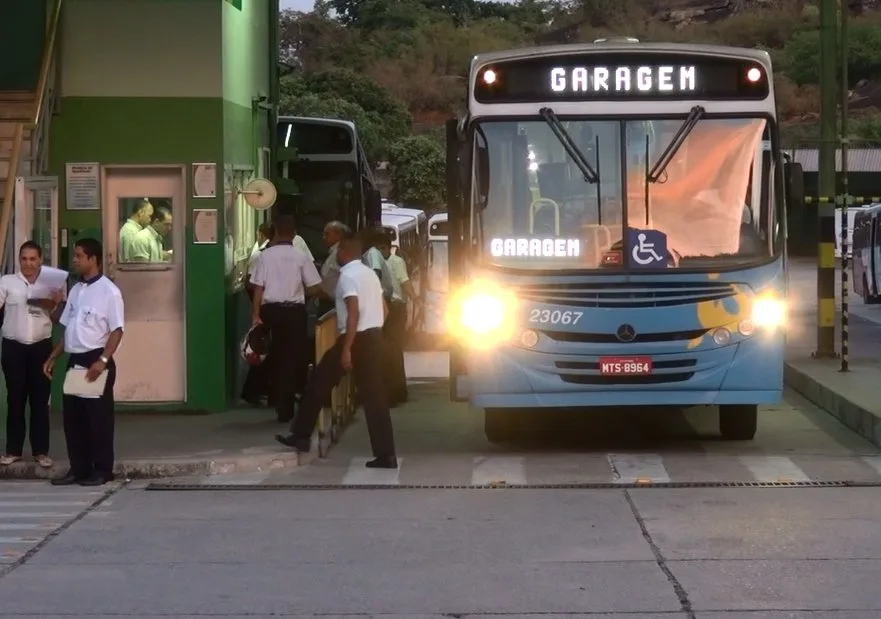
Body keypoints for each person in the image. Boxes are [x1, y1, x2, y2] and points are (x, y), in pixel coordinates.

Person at [276, 235, 397, 469]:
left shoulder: (348, 277)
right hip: (373, 337)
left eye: (338, 251)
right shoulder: (369, 274)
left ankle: (300, 436)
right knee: (375, 398)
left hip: (354, 339)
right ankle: (386, 454)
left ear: (343, 252)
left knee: (318, 383)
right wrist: (374, 329)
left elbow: (353, 313)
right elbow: (385, 309)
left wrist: (347, 349)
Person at [44, 238, 124, 486]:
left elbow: (117, 330)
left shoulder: (109, 292)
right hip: (75, 360)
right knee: (74, 420)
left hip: (95, 360)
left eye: (79, 256)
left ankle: (102, 470)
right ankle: (79, 468)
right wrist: (54, 356)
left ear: (93, 259)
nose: (75, 260)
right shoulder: (77, 290)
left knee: (98, 420)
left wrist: (103, 360)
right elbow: (67, 327)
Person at [250, 214, 323, 423]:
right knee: (291, 359)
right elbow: (314, 286)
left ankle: (277, 401)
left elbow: (258, 288)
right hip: (294, 313)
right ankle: (287, 407)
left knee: (273, 357)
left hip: (270, 311)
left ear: (275, 232)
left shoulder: (265, 256)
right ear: (294, 233)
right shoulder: (301, 257)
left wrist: (256, 316)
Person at [0, 242, 66, 468]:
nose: (28, 263)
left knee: (40, 401)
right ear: (19, 260)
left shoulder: (52, 284)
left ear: (40, 260)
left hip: (41, 348)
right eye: (24, 259)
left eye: (32, 259)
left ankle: (41, 451)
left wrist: (56, 303)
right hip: (13, 347)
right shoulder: (6, 283)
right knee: (15, 399)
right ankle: (13, 450)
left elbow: (58, 319)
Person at [376, 233, 415, 406]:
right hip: (384, 307)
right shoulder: (375, 262)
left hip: (395, 309)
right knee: (387, 352)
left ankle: (397, 392)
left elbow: (405, 282)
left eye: (381, 248)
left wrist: (416, 299)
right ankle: (394, 391)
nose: (379, 252)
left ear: (387, 247)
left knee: (394, 351)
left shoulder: (396, 262)